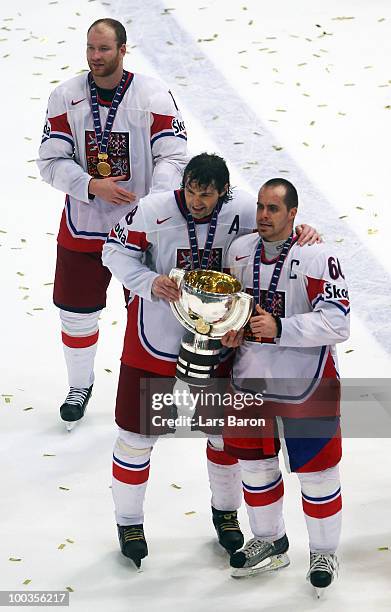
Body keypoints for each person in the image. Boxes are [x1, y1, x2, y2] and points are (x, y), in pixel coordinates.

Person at [102, 154, 320, 567]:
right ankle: (129, 521)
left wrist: (305, 231)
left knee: (223, 438)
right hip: (155, 340)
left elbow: (276, 235)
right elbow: (113, 251)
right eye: (190, 191)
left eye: (206, 195)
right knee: (136, 437)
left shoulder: (242, 212)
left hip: (222, 342)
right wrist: (150, 282)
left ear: (223, 193)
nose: (196, 201)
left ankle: (226, 513)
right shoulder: (152, 210)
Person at [37, 18, 188, 429]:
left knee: (151, 314)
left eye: (104, 49)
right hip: (84, 225)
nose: (95, 57)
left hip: (140, 231)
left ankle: (155, 395)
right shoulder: (66, 97)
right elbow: (50, 162)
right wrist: (90, 185)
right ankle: (78, 386)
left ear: (124, 50)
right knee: (76, 313)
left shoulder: (153, 95)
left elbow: (174, 157)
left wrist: (152, 207)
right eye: (90, 48)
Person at [221, 178, 350, 595]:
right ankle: (270, 540)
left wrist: (281, 328)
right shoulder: (239, 252)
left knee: (317, 475)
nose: (263, 215)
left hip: (306, 381)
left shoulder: (318, 256)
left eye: (273, 208)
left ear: (293, 214)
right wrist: (230, 331)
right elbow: (232, 308)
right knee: (254, 469)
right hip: (251, 378)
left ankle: (324, 551)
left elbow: (338, 321)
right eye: (260, 206)